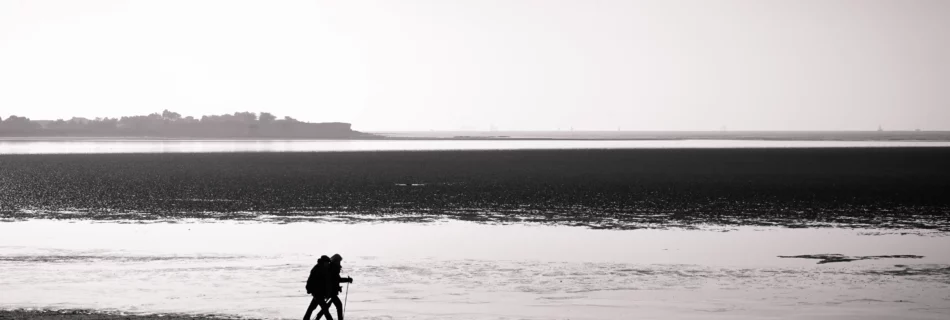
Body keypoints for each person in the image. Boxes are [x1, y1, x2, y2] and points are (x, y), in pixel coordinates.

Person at [321, 253, 353, 320]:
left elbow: (336, 280)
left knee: (326, 307)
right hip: (331, 292)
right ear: (336, 261)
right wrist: (347, 280)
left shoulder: (332, 267)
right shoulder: (334, 268)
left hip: (330, 291)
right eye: (339, 261)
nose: (339, 263)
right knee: (337, 306)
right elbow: (337, 279)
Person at [303, 255, 333, 320]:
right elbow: (311, 281)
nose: (328, 264)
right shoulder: (318, 269)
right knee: (325, 309)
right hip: (317, 293)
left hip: (318, 292)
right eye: (327, 262)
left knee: (311, 308)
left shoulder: (321, 268)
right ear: (324, 262)